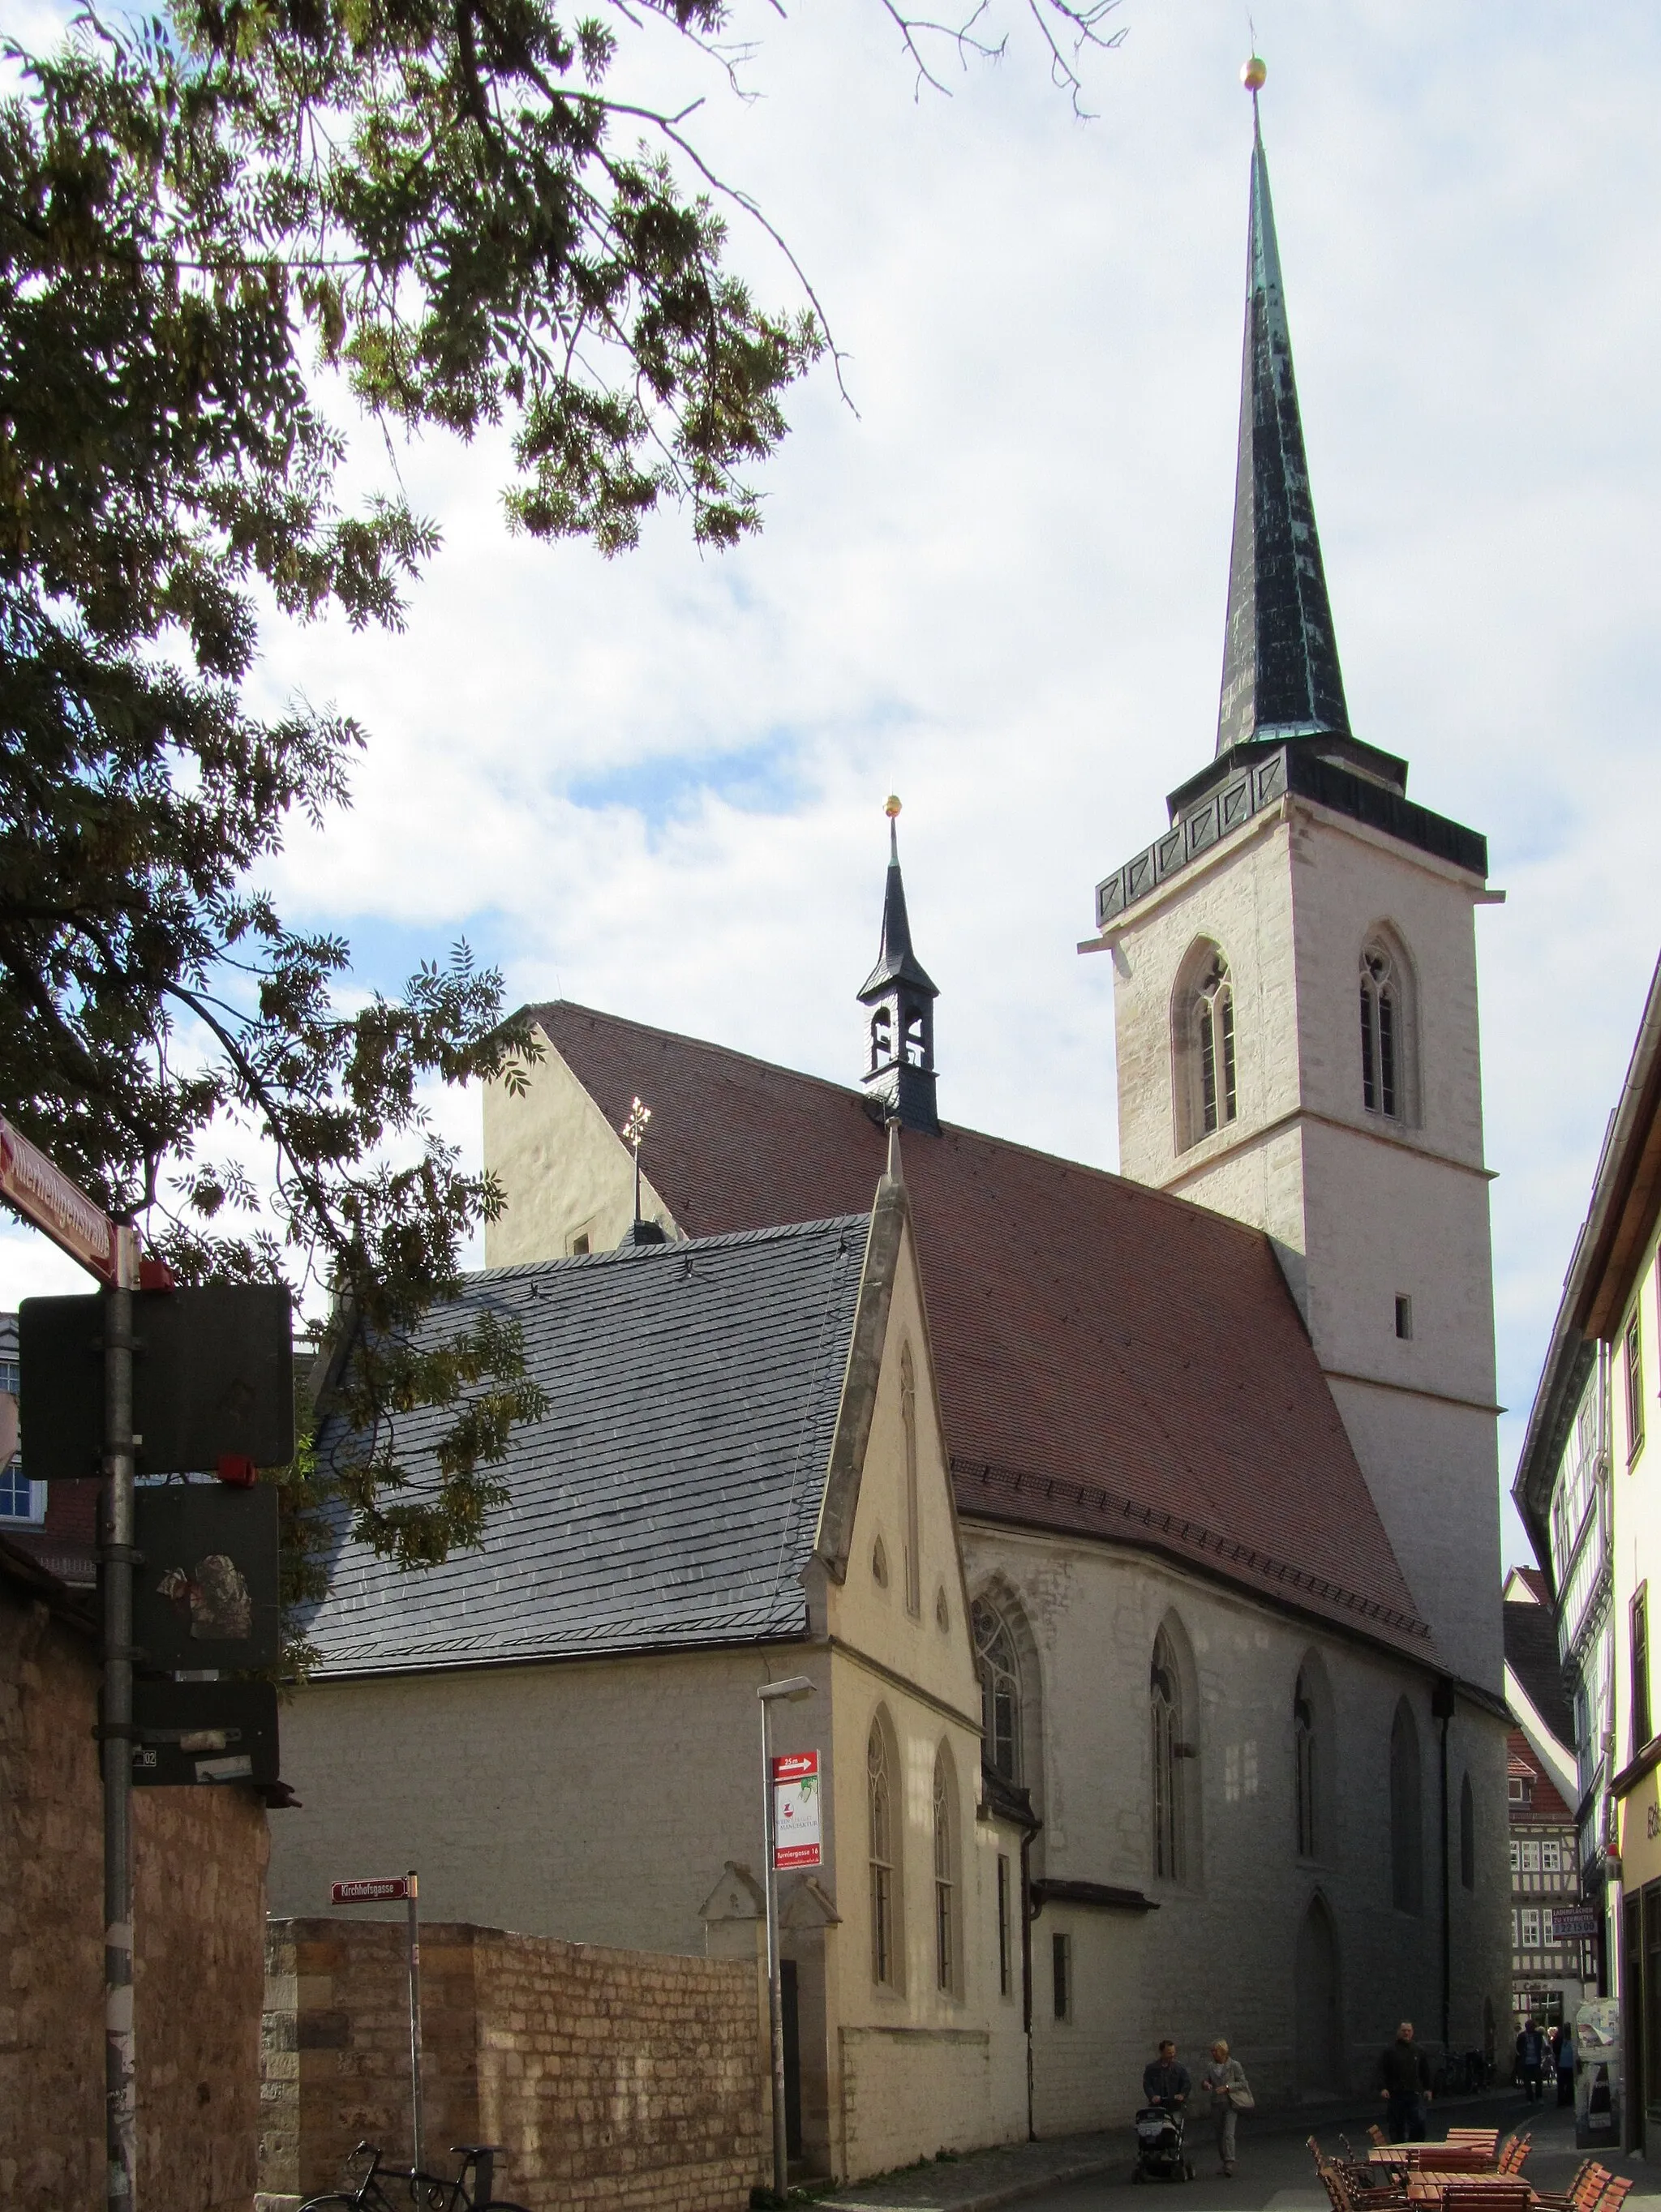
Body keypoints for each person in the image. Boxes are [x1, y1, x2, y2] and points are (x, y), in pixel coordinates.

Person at [1200, 2038, 1249, 2178]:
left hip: (1230, 2103)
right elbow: (1206, 2081)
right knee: (1219, 2135)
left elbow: (1243, 2083)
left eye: (1215, 2050)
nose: (1213, 2053)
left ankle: (1230, 2161)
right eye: (1212, 2051)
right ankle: (1224, 2160)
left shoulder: (1234, 2065)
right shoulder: (1211, 2066)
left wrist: (1228, 2087)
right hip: (1216, 2103)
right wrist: (1205, 2084)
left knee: (1228, 2134)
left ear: (1222, 2051)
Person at [1380, 2021, 1432, 2142]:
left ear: (1412, 2033)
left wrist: (1428, 2089)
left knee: (1418, 2122)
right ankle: (1399, 2149)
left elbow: (1425, 2071)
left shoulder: (1418, 2050)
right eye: (1404, 2031)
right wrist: (1383, 2088)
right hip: (1396, 2093)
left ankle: (1416, 2146)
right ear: (1399, 2032)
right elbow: (1382, 2070)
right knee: (1397, 2125)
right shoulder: (1390, 2051)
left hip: (1414, 2093)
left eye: (1409, 2031)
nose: (1406, 2033)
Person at [1143, 2039, 1191, 2110]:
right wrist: (1152, 2096)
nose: (1172, 2055)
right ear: (1161, 2052)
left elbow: (1187, 2083)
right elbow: (1147, 2084)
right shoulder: (1151, 2069)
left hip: (1175, 2106)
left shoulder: (1180, 2068)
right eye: (1169, 2053)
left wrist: (1182, 2095)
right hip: (1157, 2107)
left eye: (1173, 2052)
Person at [1517, 2019, 1547, 2103]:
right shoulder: (1522, 2036)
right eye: (1530, 2026)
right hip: (1526, 2061)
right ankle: (1530, 2099)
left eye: (1532, 2026)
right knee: (1527, 2081)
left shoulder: (1538, 2035)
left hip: (1536, 2061)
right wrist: (1523, 2053)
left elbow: (1541, 2046)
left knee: (1538, 2080)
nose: (1532, 2028)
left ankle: (1539, 2097)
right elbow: (1518, 2047)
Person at [1556, 2022, 1576, 2108]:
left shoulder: (1572, 2040)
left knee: (1567, 2084)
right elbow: (1556, 2050)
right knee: (1565, 2084)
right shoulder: (1560, 2040)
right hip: (1564, 2065)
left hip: (1567, 2065)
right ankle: (1564, 2100)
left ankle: (1566, 2100)